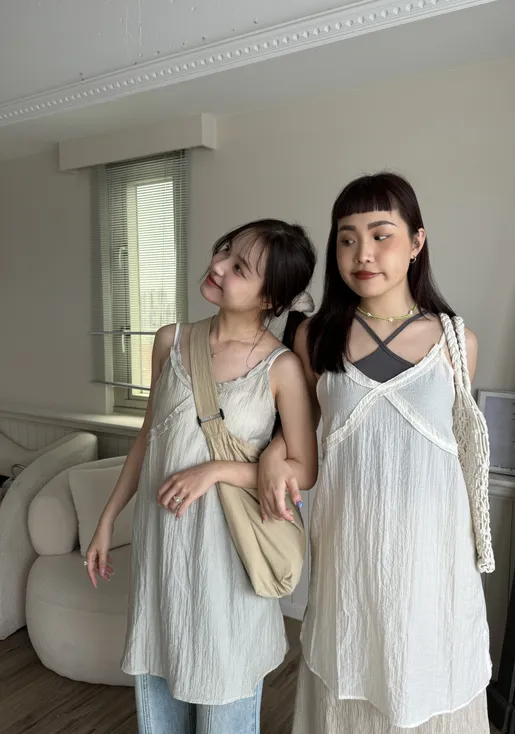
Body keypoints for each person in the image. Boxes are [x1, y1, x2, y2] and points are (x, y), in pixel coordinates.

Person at [259, 173, 493, 734]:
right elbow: (302, 430)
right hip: (351, 549)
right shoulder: (314, 337)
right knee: (350, 663)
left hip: (435, 556)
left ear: (416, 242)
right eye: (347, 238)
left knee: (430, 669)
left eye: (381, 234)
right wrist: (272, 453)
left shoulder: (457, 341)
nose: (362, 253)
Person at [85, 219, 319, 734]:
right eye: (224, 251)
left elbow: (304, 468)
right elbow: (147, 440)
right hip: (163, 550)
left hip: (228, 559)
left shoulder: (279, 368)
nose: (217, 267)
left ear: (270, 298)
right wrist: (107, 520)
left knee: (224, 697)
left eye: (239, 267)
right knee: (160, 691)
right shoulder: (171, 341)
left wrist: (216, 471)